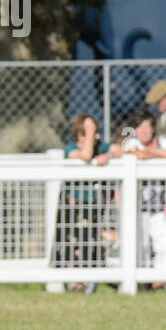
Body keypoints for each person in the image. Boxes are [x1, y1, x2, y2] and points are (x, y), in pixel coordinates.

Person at [56, 113, 119, 286]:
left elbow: (118, 150)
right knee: (73, 240)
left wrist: (107, 157)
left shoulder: (100, 147)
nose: (94, 135)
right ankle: (73, 280)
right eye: (87, 132)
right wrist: (89, 132)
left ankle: (89, 279)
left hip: (93, 206)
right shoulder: (70, 148)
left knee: (91, 240)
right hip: (73, 207)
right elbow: (85, 155)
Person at [122, 108, 166, 285]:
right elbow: (127, 154)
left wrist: (151, 155)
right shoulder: (130, 143)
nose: (144, 131)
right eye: (140, 127)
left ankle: (158, 281)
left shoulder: (163, 142)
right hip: (136, 207)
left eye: (147, 127)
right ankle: (140, 283)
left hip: (158, 206)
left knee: (165, 243)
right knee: (140, 245)